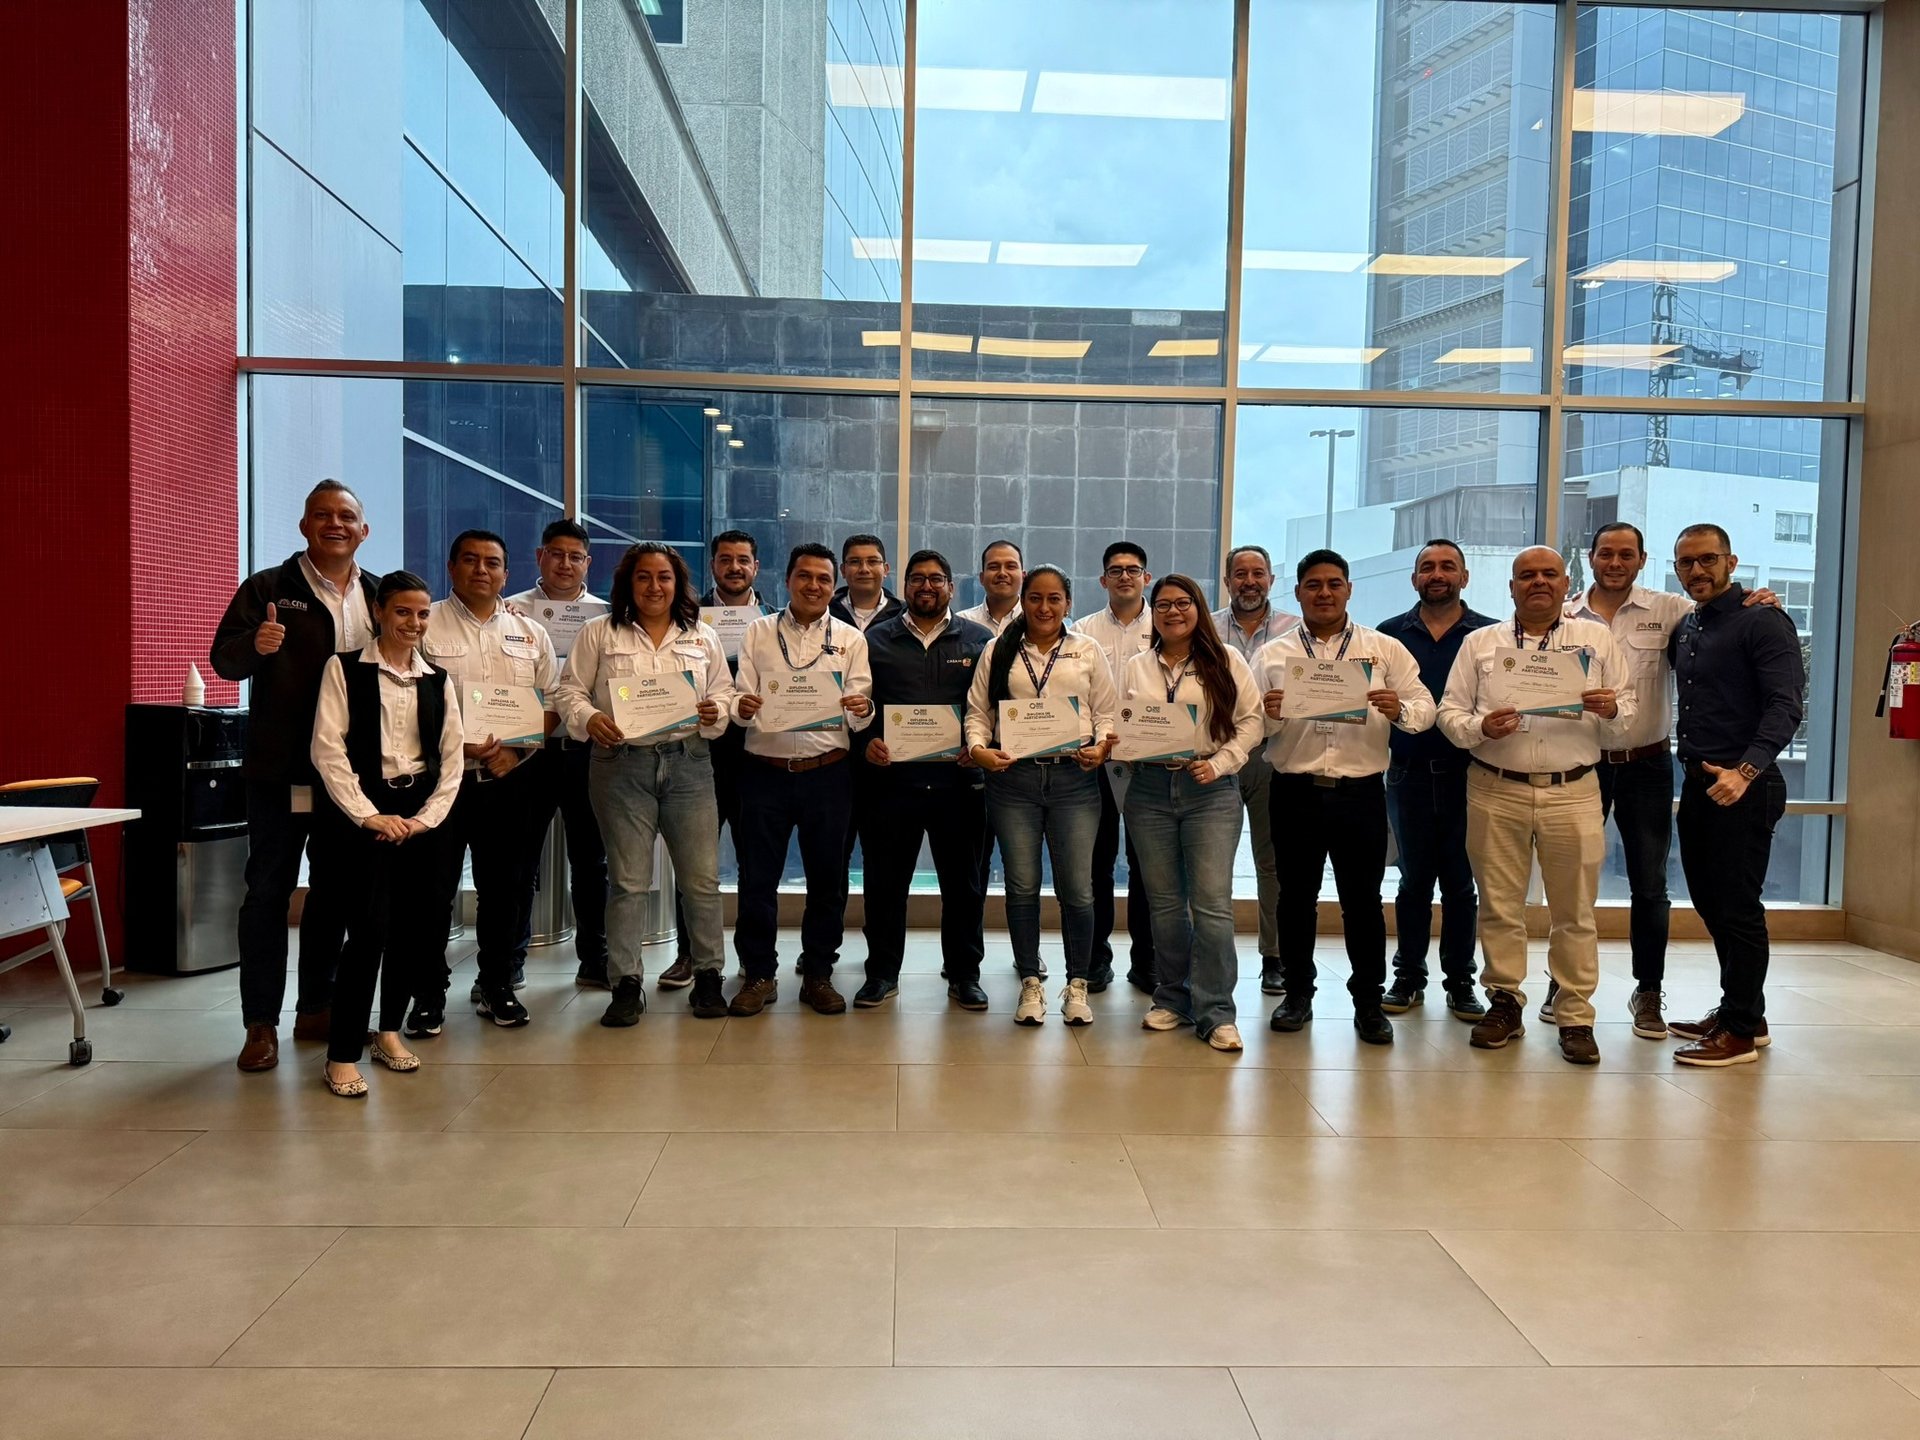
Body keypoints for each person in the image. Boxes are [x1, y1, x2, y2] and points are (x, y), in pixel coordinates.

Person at [1562, 521, 1781, 1039]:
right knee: (1572, 882)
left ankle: (1648, 991)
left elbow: (1727, 616)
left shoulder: (1673, 611)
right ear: (1591, 558)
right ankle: (1564, 985)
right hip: (1584, 764)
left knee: (1650, 884)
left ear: (1642, 560)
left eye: (1627, 554)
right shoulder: (1565, 616)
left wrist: (1758, 598)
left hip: (1648, 765)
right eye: (1606, 553)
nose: (1615, 563)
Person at [1435, 546, 1636, 1066]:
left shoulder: (1595, 639)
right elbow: (1449, 713)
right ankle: (1505, 1001)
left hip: (1574, 789)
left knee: (1575, 910)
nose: (1538, 582)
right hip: (1495, 786)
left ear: (1566, 583)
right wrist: (1480, 727)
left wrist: (1612, 708)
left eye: (1549, 574)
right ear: (1512, 587)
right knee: (1499, 904)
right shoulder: (1481, 643)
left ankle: (1575, 1015)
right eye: (1527, 575)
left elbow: (1628, 712)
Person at [209, 478, 375, 1074]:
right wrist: (256, 644)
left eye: (346, 516)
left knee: (334, 894)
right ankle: (260, 1024)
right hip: (280, 772)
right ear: (305, 526)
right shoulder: (268, 588)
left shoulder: (377, 595)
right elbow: (224, 661)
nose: (335, 524)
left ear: (363, 530)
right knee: (268, 893)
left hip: (350, 778)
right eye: (322, 515)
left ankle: (316, 1009)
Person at [549, 543, 735, 1025]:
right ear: (628, 583)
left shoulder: (702, 635)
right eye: (644, 577)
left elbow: (723, 692)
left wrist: (716, 711)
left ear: (678, 584)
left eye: (664, 577)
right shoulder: (599, 632)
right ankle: (626, 983)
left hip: (689, 763)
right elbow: (569, 690)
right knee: (628, 882)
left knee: (701, 880)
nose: (655, 586)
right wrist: (588, 718)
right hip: (620, 766)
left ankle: (709, 976)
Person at [1258, 550, 1436, 1046]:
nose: (1324, 593)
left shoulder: (1383, 650)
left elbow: (1425, 707)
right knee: (1295, 899)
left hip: (1360, 794)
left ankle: (1368, 1004)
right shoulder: (1272, 655)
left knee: (1363, 903)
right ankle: (1297, 995)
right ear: (1297, 592)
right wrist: (1271, 713)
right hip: (1294, 792)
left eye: (1334, 583)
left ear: (1349, 589)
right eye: (1313, 585)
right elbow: (1247, 723)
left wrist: (1398, 709)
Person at [308, 571, 463, 1097]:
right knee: (368, 932)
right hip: (365, 815)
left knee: (412, 930)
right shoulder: (344, 669)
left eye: (422, 614)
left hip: (421, 816)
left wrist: (426, 819)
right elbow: (327, 749)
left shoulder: (438, 680)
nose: (414, 623)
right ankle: (341, 1054)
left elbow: (452, 760)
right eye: (402, 612)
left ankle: (389, 1031)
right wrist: (367, 814)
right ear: (378, 611)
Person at [1665, 524, 1805, 1066]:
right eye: (1686, 563)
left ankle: (1740, 1033)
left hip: (1745, 786)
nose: (1697, 570)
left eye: (1707, 559)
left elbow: (1785, 706)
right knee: (1710, 902)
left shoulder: (1763, 620)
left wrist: (1745, 771)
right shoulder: (1689, 625)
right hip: (1700, 785)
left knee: (1738, 909)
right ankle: (1743, 1011)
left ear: (1731, 561)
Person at [416, 530, 559, 1033]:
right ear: (451, 567)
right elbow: (404, 701)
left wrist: (516, 752)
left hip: (509, 780)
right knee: (433, 890)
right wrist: (455, 749)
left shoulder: (530, 632)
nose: (482, 570)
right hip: (441, 782)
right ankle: (428, 994)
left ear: (506, 573)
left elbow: (551, 700)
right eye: (471, 560)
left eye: (492, 563)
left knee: (506, 889)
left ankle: (497, 986)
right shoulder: (425, 624)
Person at [967, 565, 1118, 1026]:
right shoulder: (998, 648)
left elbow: (1106, 713)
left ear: (1068, 604)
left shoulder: (1086, 649)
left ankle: (1078, 983)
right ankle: (1030, 981)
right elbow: (978, 713)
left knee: (1078, 888)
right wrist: (978, 750)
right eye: (1035, 598)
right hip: (1013, 781)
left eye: (1054, 599)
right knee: (1022, 886)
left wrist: (1102, 745)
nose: (1045, 607)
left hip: (1075, 780)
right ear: (1024, 602)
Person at [730, 543, 875, 1015]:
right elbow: (739, 699)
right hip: (764, 772)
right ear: (788, 579)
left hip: (827, 775)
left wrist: (862, 709)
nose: (814, 585)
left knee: (827, 881)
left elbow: (861, 707)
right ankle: (759, 974)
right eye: (805, 576)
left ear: (834, 586)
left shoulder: (851, 639)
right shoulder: (757, 632)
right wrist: (742, 707)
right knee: (757, 879)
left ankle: (818, 974)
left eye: (823, 579)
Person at [1124, 575, 1264, 1050]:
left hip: (1211, 789)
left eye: (1182, 603)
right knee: (1164, 903)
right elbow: (1119, 721)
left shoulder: (1227, 660)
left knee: (1211, 905)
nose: (1172, 612)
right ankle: (1172, 997)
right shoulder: (1136, 666)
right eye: (1163, 605)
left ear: (1199, 608)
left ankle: (1217, 1011)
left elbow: (1252, 722)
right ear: (1153, 613)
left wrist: (1220, 763)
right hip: (1148, 789)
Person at [855, 550, 994, 1010]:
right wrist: (867, 743)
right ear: (905, 587)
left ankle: (964, 975)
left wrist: (978, 746)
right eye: (917, 579)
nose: (927, 586)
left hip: (959, 783)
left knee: (964, 887)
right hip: (891, 785)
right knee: (884, 885)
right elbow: (858, 704)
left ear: (951, 587)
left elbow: (991, 707)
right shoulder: (875, 639)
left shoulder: (979, 640)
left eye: (937, 579)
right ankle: (881, 974)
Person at [1376, 539, 1496, 1021]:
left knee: (1462, 885)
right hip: (1406, 773)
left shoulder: (1489, 635)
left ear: (1464, 577)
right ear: (1415, 579)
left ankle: (1461, 981)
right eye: (1427, 567)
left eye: (1448, 566)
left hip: (1470, 774)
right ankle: (1408, 976)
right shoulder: (1388, 636)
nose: (1437, 574)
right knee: (1412, 883)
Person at [660, 529, 768, 990]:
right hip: (697, 753)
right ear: (713, 566)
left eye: (743, 560)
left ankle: (750, 955)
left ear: (756, 567)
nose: (735, 568)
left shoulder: (774, 620)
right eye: (726, 559)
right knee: (693, 863)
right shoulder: (684, 616)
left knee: (753, 862)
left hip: (756, 756)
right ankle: (688, 954)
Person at [507, 519, 612, 990]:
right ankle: (508, 961)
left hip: (586, 750)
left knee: (591, 861)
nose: (565, 564)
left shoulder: (606, 616)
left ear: (588, 563)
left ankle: (595, 959)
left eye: (575, 556)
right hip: (527, 751)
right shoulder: (511, 610)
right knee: (519, 860)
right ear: (540, 556)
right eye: (556, 554)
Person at [1210, 543, 1301, 995]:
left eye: (1258, 573)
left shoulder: (1297, 632)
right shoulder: (1205, 629)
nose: (1250, 582)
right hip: (1217, 758)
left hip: (1270, 755)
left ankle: (1274, 957)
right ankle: (1210, 956)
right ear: (1227, 581)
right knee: (1212, 866)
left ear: (1271, 579)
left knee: (1272, 863)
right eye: (1240, 574)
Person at [1073, 540, 1159, 994]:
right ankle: (1095, 959)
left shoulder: (1166, 625)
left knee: (1148, 867)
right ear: (1103, 579)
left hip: (1150, 763)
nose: (1125, 576)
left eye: (1133, 569)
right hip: (1097, 765)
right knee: (1097, 865)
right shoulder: (1082, 631)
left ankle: (1147, 961)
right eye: (1116, 570)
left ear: (1146, 577)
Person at [829, 533, 903, 632]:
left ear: (885, 569)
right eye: (855, 561)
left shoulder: (903, 615)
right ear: (843, 570)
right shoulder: (826, 611)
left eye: (873, 561)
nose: (864, 569)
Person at [959, 539, 1024, 636]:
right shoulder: (961, 623)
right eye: (994, 567)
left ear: (1023, 576)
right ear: (982, 578)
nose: (1002, 573)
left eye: (1010, 566)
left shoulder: (1037, 621)